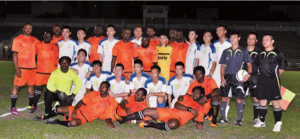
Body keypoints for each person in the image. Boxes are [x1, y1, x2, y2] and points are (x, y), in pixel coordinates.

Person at [115, 86, 211, 131]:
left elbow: (199, 121)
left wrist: (199, 124)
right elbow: (177, 105)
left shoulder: (200, 108)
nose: (195, 94)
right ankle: (123, 119)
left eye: (197, 93)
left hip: (179, 119)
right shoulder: (186, 97)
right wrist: (189, 109)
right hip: (170, 112)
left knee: (174, 124)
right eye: (194, 92)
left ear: (202, 95)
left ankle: (151, 125)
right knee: (147, 110)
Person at [36, 81, 118, 128]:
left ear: (108, 89)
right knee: (59, 109)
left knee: (73, 123)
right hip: (79, 109)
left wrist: (109, 122)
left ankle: (56, 122)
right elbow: (81, 102)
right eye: (101, 87)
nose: (102, 89)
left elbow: (108, 116)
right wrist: (75, 110)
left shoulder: (109, 101)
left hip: (86, 117)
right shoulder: (94, 94)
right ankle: (45, 117)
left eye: (104, 87)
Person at [218, 31, 253, 126]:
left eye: (235, 37)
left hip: (238, 78)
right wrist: (222, 78)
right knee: (224, 97)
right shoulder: (226, 51)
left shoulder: (243, 51)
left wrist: (249, 74)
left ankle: (239, 119)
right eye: (231, 37)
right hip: (227, 77)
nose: (233, 39)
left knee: (239, 98)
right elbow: (222, 66)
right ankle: (223, 118)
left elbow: (249, 64)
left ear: (239, 38)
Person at [253, 33, 285, 132]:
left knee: (275, 102)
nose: (264, 41)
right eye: (263, 40)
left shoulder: (278, 53)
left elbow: (282, 69)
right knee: (262, 101)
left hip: (273, 80)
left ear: (272, 41)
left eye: (267, 39)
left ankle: (277, 123)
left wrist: (273, 78)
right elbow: (258, 67)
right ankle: (262, 121)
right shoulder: (260, 54)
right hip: (261, 80)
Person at [33, 56, 82, 121]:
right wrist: (58, 92)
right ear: (60, 63)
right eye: (62, 63)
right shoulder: (55, 73)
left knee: (64, 112)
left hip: (65, 96)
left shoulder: (72, 73)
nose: (64, 64)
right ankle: (48, 111)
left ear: (69, 64)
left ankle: (57, 106)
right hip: (56, 93)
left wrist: (72, 96)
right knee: (48, 92)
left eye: (66, 63)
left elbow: (79, 84)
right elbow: (49, 85)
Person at [10, 23, 40, 115]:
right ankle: (13, 107)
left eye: (30, 28)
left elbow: (43, 46)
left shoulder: (34, 39)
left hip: (32, 68)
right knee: (17, 86)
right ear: (23, 28)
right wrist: (17, 68)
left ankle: (31, 105)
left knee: (31, 86)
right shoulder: (17, 39)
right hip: (22, 67)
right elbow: (14, 54)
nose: (28, 29)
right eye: (26, 28)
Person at [31, 31, 56, 113]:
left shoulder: (54, 46)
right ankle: (33, 105)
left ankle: (48, 106)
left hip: (51, 73)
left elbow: (57, 58)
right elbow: (32, 56)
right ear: (43, 36)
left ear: (51, 38)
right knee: (38, 90)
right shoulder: (38, 45)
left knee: (50, 90)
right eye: (46, 36)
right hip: (40, 72)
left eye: (49, 36)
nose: (47, 38)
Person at [213, 24, 232, 119]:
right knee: (215, 91)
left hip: (227, 71)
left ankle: (225, 113)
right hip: (216, 71)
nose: (218, 32)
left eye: (220, 30)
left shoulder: (230, 43)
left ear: (225, 31)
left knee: (227, 93)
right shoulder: (214, 44)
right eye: (217, 30)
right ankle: (213, 112)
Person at [244, 31, 262, 124]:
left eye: (253, 38)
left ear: (256, 40)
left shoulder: (259, 52)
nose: (250, 40)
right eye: (249, 38)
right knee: (241, 96)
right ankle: (240, 117)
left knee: (255, 98)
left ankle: (255, 118)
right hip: (242, 77)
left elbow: (262, 66)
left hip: (254, 78)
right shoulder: (242, 51)